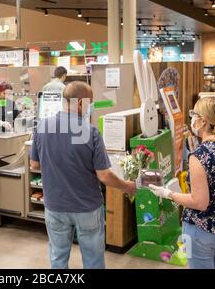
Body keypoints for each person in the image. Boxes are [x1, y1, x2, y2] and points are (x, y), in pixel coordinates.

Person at [30, 81, 136, 269]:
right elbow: (103, 176)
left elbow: (35, 165)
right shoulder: (91, 132)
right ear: (80, 103)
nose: (91, 106)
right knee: (93, 259)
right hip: (86, 207)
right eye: (90, 102)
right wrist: (127, 186)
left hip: (55, 206)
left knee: (58, 257)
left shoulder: (42, 127)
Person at [149, 97, 215, 269]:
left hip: (203, 231)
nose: (192, 119)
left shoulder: (201, 155)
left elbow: (199, 202)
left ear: (203, 121)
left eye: (193, 114)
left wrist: (168, 194)